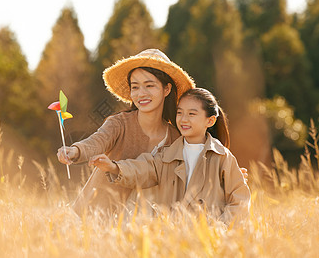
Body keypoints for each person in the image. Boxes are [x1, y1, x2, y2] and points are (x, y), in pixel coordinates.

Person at [58, 49, 196, 215]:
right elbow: (98, 141)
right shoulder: (119, 123)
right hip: (95, 217)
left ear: (166, 89)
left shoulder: (176, 138)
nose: (141, 94)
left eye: (149, 85)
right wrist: (75, 151)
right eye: (135, 87)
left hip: (145, 228)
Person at [90, 88, 251, 225]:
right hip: (173, 239)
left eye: (191, 114)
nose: (183, 119)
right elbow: (143, 169)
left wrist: (221, 228)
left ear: (210, 121)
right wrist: (114, 167)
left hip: (208, 240)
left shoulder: (222, 157)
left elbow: (240, 200)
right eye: (180, 112)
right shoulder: (166, 155)